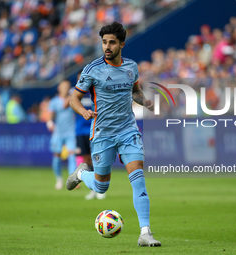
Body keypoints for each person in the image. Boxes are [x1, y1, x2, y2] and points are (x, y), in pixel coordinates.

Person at [66, 22, 161, 247]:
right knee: (101, 187)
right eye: (104, 42)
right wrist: (84, 112)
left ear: (122, 44)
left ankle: (145, 233)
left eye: (112, 42)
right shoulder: (92, 69)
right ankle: (81, 174)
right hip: (102, 133)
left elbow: (135, 91)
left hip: (128, 130)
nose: (107, 46)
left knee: (138, 178)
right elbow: (73, 99)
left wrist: (144, 101)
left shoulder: (131, 67)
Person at [74, 71, 106, 200]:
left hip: (95, 130)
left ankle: (100, 188)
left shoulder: (96, 91)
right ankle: (93, 188)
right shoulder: (76, 93)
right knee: (86, 160)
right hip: (80, 131)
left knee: (97, 159)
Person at [47, 80, 76, 190]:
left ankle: (72, 181)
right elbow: (50, 114)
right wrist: (49, 123)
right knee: (56, 158)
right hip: (58, 133)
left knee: (72, 156)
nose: (65, 88)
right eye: (63, 86)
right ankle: (59, 179)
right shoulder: (54, 101)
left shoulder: (73, 99)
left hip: (71, 132)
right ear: (59, 88)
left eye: (67, 86)